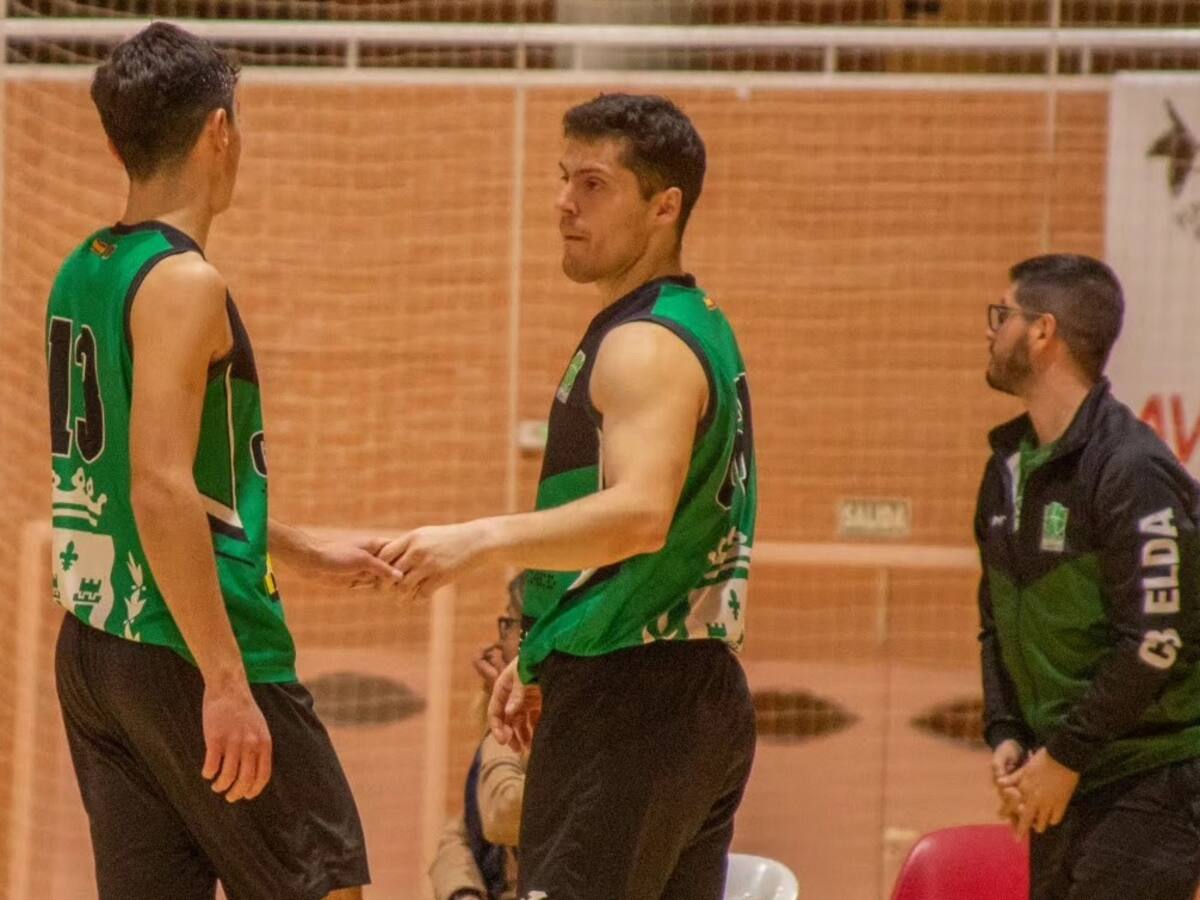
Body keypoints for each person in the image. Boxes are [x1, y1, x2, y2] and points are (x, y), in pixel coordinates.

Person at [47, 22, 400, 900]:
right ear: (220, 132)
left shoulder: (85, 268)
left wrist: (300, 546)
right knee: (327, 887)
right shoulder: (185, 282)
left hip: (99, 649)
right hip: (189, 641)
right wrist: (226, 678)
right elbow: (159, 490)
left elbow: (142, 483)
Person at [381, 93, 757, 899]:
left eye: (593, 184)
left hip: (633, 704)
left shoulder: (643, 345)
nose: (563, 203)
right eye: (563, 178)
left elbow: (641, 516)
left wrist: (479, 537)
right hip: (684, 691)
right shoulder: (691, 324)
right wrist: (542, 649)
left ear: (664, 206)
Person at [976, 254, 1200, 899]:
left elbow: (1154, 640)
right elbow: (996, 618)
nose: (991, 331)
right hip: (1062, 772)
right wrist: (1008, 732)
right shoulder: (1008, 466)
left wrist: (1067, 754)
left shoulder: (1130, 469)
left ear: (1042, 331)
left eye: (1002, 316)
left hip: (1149, 779)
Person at [430, 573, 528, 900]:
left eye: (509, 624)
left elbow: (504, 812)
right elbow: (462, 831)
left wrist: (508, 712)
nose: (496, 643)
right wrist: (462, 890)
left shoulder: (570, 725)